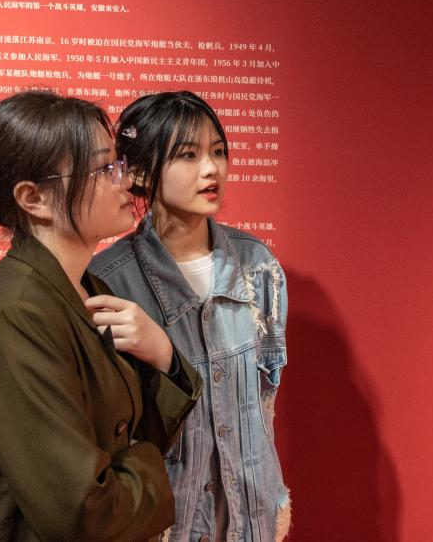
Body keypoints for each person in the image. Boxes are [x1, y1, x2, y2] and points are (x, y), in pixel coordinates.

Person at [0, 91, 203, 541]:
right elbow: (83, 510)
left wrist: (163, 355)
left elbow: (126, 428)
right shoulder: (16, 314)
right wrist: (149, 466)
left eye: (118, 163)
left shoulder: (86, 288)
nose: (125, 181)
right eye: (104, 169)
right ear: (34, 198)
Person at [90, 91, 291, 542]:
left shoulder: (258, 266)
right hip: (166, 524)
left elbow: (264, 406)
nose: (211, 169)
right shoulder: (108, 280)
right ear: (140, 172)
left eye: (217, 152)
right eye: (188, 155)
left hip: (252, 520)